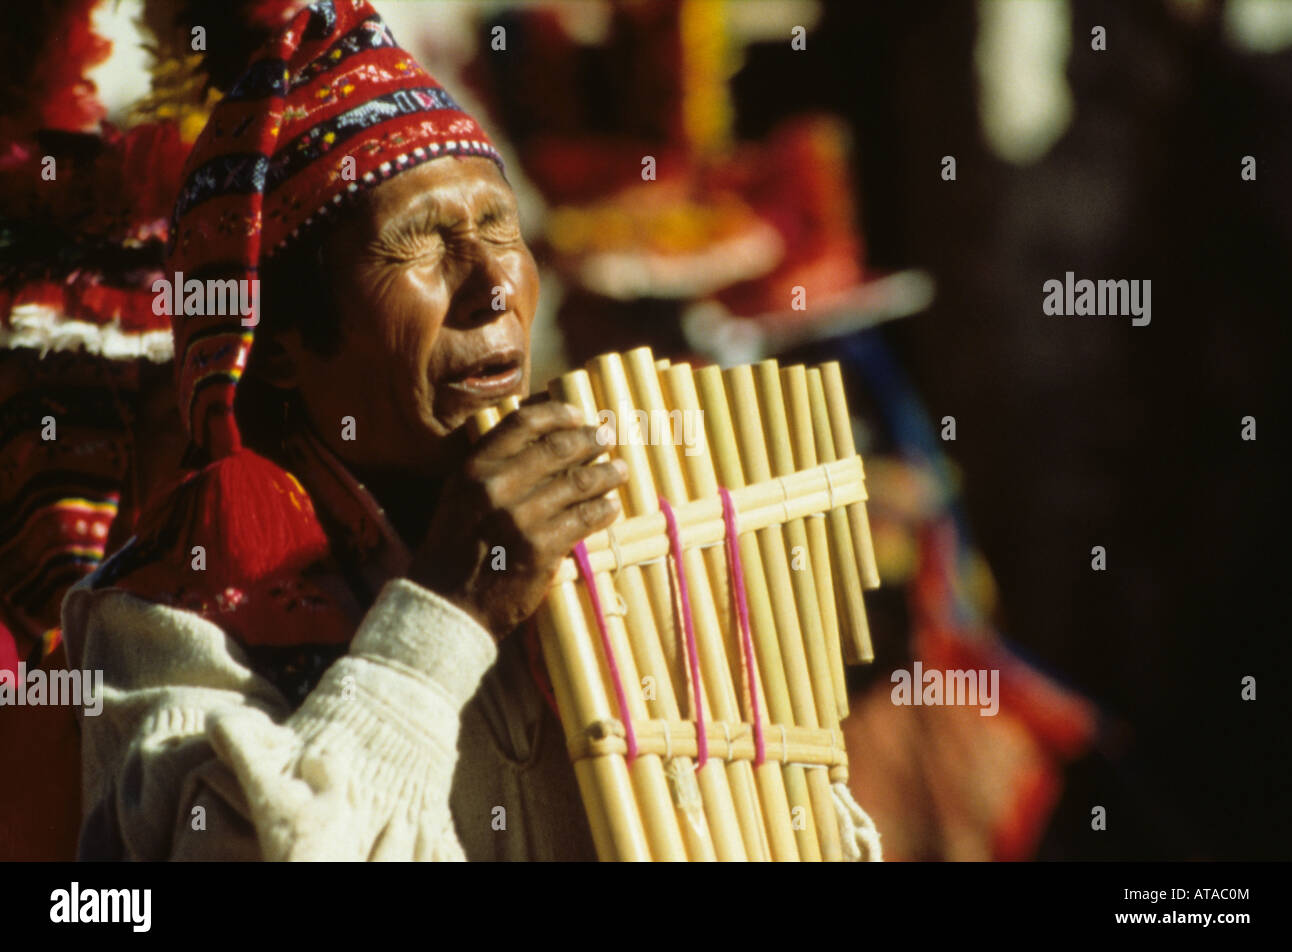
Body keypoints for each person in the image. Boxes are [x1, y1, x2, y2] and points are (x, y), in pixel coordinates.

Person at [63, 0, 880, 861]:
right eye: (418, 244)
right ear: (281, 349)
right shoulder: (167, 616)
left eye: (502, 228)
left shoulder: (647, 530)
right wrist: (446, 614)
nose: (495, 284)